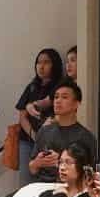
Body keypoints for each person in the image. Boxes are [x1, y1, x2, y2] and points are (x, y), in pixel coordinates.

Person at [28, 79, 97, 184]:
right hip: (41, 186)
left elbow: (88, 175)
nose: (58, 101)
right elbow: (32, 169)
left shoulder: (86, 137)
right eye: (56, 97)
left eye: (64, 97)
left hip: (69, 188)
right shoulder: (44, 131)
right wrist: (38, 163)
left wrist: (61, 162)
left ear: (76, 104)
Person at [14, 48, 64, 183]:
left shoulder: (61, 86)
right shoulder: (31, 86)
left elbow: (52, 108)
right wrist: (34, 135)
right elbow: (22, 115)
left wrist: (32, 106)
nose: (41, 66)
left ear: (55, 64)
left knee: (48, 182)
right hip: (28, 140)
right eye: (38, 62)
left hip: (52, 142)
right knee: (25, 181)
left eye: (46, 62)